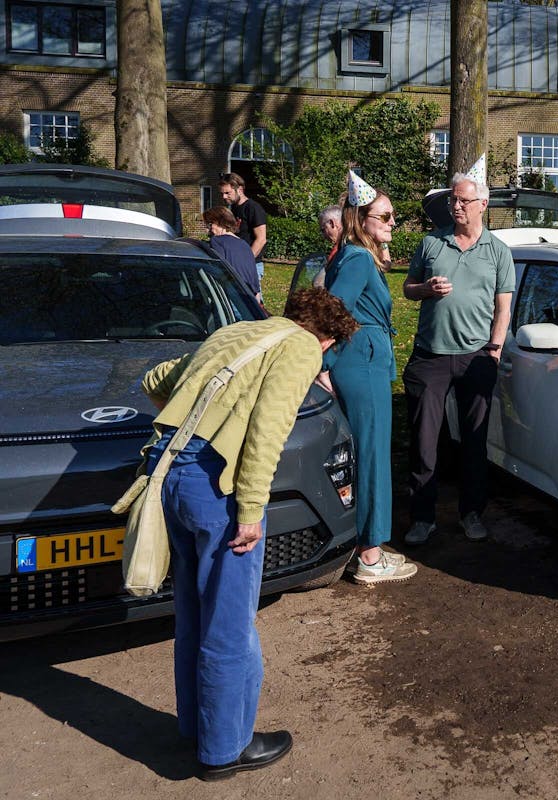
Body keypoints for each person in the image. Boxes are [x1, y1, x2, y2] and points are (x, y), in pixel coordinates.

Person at [139, 288, 359, 780]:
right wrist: (251, 510)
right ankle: (224, 749)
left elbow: (154, 379)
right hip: (214, 488)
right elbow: (267, 429)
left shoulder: (234, 332)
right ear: (325, 340)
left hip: (171, 475)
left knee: (194, 611)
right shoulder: (302, 347)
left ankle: (196, 727)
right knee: (230, 622)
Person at [402, 172, 514, 546]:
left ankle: (471, 514)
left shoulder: (498, 251)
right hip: (430, 356)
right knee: (424, 441)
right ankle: (422, 517)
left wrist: (494, 351)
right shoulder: (432, 244)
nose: (456, 206)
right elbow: (407, 288)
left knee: (474, 442)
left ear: (484, 204)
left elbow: (503, 309)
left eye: (464, 200)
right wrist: (425, 288)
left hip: (475, 357)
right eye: (454, 199)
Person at [322, 173, 415, 584]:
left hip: (361, 358)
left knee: (361, 454)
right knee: (373, 456)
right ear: (362, 218)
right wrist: (321, 363)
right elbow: (332, 309)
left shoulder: (354, 254)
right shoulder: (358, 258)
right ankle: (371, 556)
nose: (393, 222)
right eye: (386, 216)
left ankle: (364, 546)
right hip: (362, 362)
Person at [219, 172, 268, 286]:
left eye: (227, 193)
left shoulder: (253, 208)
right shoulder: (235, 208)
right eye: (222, 193)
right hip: (236, 264)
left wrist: (245, 261)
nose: (224, 197)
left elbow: (261, 239)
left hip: (251, 266)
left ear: (240, 189)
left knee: (251, 302)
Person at [204, 206, 260, 301]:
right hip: (250, 297)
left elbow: (218, 270)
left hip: (233, 297)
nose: (209, 229)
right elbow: (254, 277)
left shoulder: (217, 241)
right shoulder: (244, 244)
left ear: (219, 222)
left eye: (210, 224)